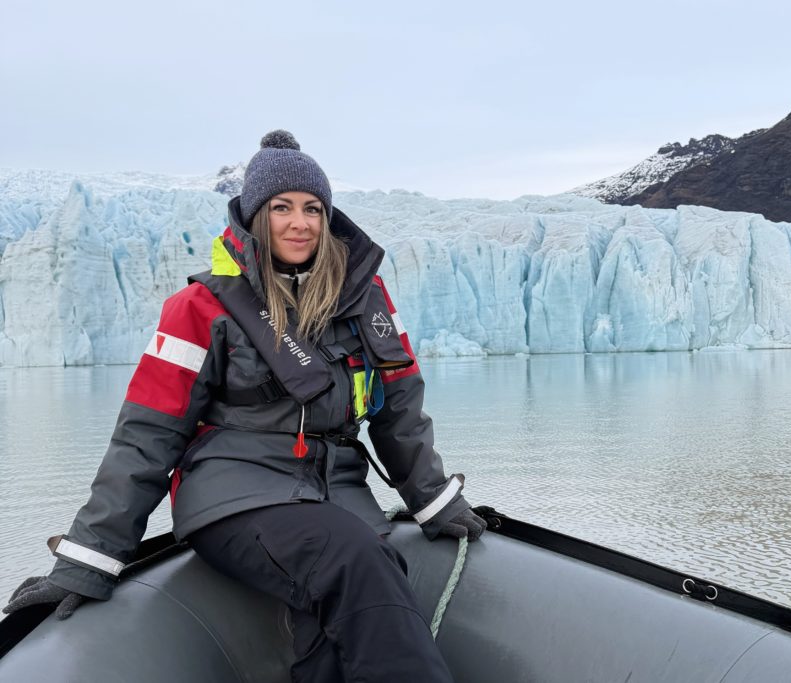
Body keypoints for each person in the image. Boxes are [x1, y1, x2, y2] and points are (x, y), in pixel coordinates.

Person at [3, 130, 486, 682]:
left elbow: (399, 407)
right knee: (354, 559)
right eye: (281, 207)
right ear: (256, 215)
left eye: (312, 208)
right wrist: (88, 557)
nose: (299, 222)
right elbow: (147, 433)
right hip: (236, 495)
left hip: (337, 493)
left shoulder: (364, 299)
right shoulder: (201, 307)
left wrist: (434, 501)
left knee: (336, 621)